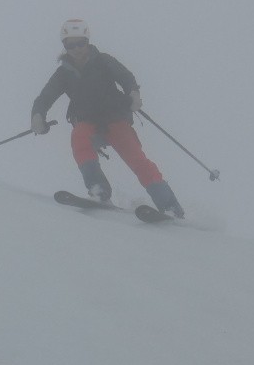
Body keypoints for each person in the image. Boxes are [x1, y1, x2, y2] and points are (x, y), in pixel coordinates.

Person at [30, 19, 184, 217]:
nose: (76, 49)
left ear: (87, 41)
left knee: (138, 160)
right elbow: (45, 97)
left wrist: (134, 94)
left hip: (116, 119)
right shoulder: (63, 73)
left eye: (80, 43)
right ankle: (99, 192)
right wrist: (37, 116)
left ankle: (171, 207)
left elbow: (126, 78)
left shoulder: (103, 61)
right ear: (65, 46)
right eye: (71, 45)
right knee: (79, 138)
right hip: (87, 122)